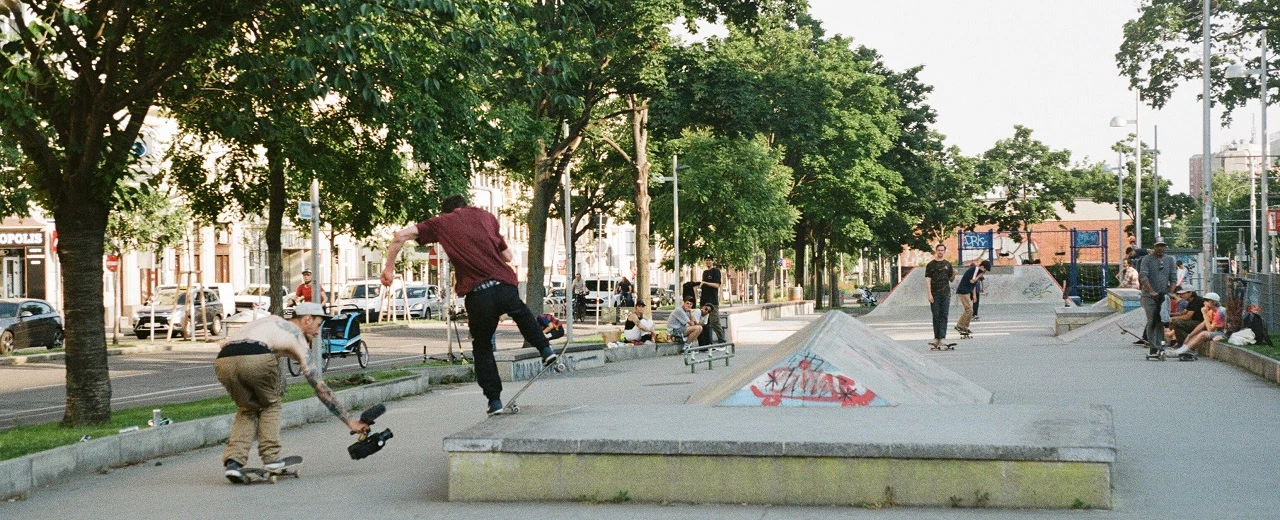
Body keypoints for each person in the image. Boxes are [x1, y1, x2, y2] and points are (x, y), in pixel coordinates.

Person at [381, 194, 558, 416]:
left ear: (446, 211)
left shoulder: (441, 223)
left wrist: (388, 268)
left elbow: (400, 236)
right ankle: (545, 349)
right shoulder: (486, 216)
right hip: (504, 286)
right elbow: (507, 256)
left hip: (479, 295)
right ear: (465, 205)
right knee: (521, 312)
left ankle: (494, 401)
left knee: (482, 346)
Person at [216, 302, 369, 483]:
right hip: (257, 355)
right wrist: (350, 421)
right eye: (318, 325)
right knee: (271, 404)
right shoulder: (296, 335)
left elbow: (228, 344)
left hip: (224, 359)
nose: (318, 332)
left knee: (247, 407)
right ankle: (271, 459)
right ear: (307, 319)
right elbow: (319, 386)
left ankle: (233, 462)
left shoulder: (271, 321)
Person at [1138, 237, 1178, 357]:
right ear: (1154, 246)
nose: (1160, 248)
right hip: (1149, 295)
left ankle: (1161, 345)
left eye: (1162, 246)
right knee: (1152, 320)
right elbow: (1143, 276)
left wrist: (1171, 292)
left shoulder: (1170, 260)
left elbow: (1173, 278)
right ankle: (1153, 346)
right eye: (1158, 246)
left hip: (1163, 295)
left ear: (1165, 246)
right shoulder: (1147, 259)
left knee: (1162, 320)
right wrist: (1151, 291)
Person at [1170, 292, 1225, 356]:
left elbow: (1210, 330)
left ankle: (1182, 351)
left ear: (1214, 302)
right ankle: (1184, 349)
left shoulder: (1219, 312)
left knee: (1203, 333)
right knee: (1198, 333)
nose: (1204, 302)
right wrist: (1189, 336)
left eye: (1206, 300)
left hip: (1224, 333)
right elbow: (1202, 324)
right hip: (1217, 331)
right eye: (1204, 300)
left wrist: (1204, 314)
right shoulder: (1211, 311)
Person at [924, 244, 955, 349]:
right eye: (939, 250)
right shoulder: (931, 265)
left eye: (942, 250)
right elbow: (928, 279)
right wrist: (929, 294)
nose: (940, 252)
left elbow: (951, 279)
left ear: (944, 251)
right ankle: (936, 337)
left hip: (945, 293)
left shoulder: (947, 264)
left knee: (944, 315)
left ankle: (942, 337)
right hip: (935, 293)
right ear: (936, 251)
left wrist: (954, 274)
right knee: (936, 315)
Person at [954, 260, 989, 335]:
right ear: (982, 267)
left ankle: (963, 327)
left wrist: (974, 295)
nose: (984, 272)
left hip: (966, 292)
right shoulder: (975, 269)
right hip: (963, 291)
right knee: (969, 310)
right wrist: (979, 276)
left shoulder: (977, 271)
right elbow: (972, 281)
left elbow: (973, 285)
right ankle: (960, 326)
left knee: (968, 310)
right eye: (985, 270)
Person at [700, 255, 725, 343]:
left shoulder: (716, 271)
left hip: (712, 301)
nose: (708, 262)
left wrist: (705, 283)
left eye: (709, 260)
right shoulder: (705, 272)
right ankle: (708, 341)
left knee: (714, 321)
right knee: (705, 323)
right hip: (704, 300)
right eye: (706, 260)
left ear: (712, 261)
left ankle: (721, 340)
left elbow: (717, 285)